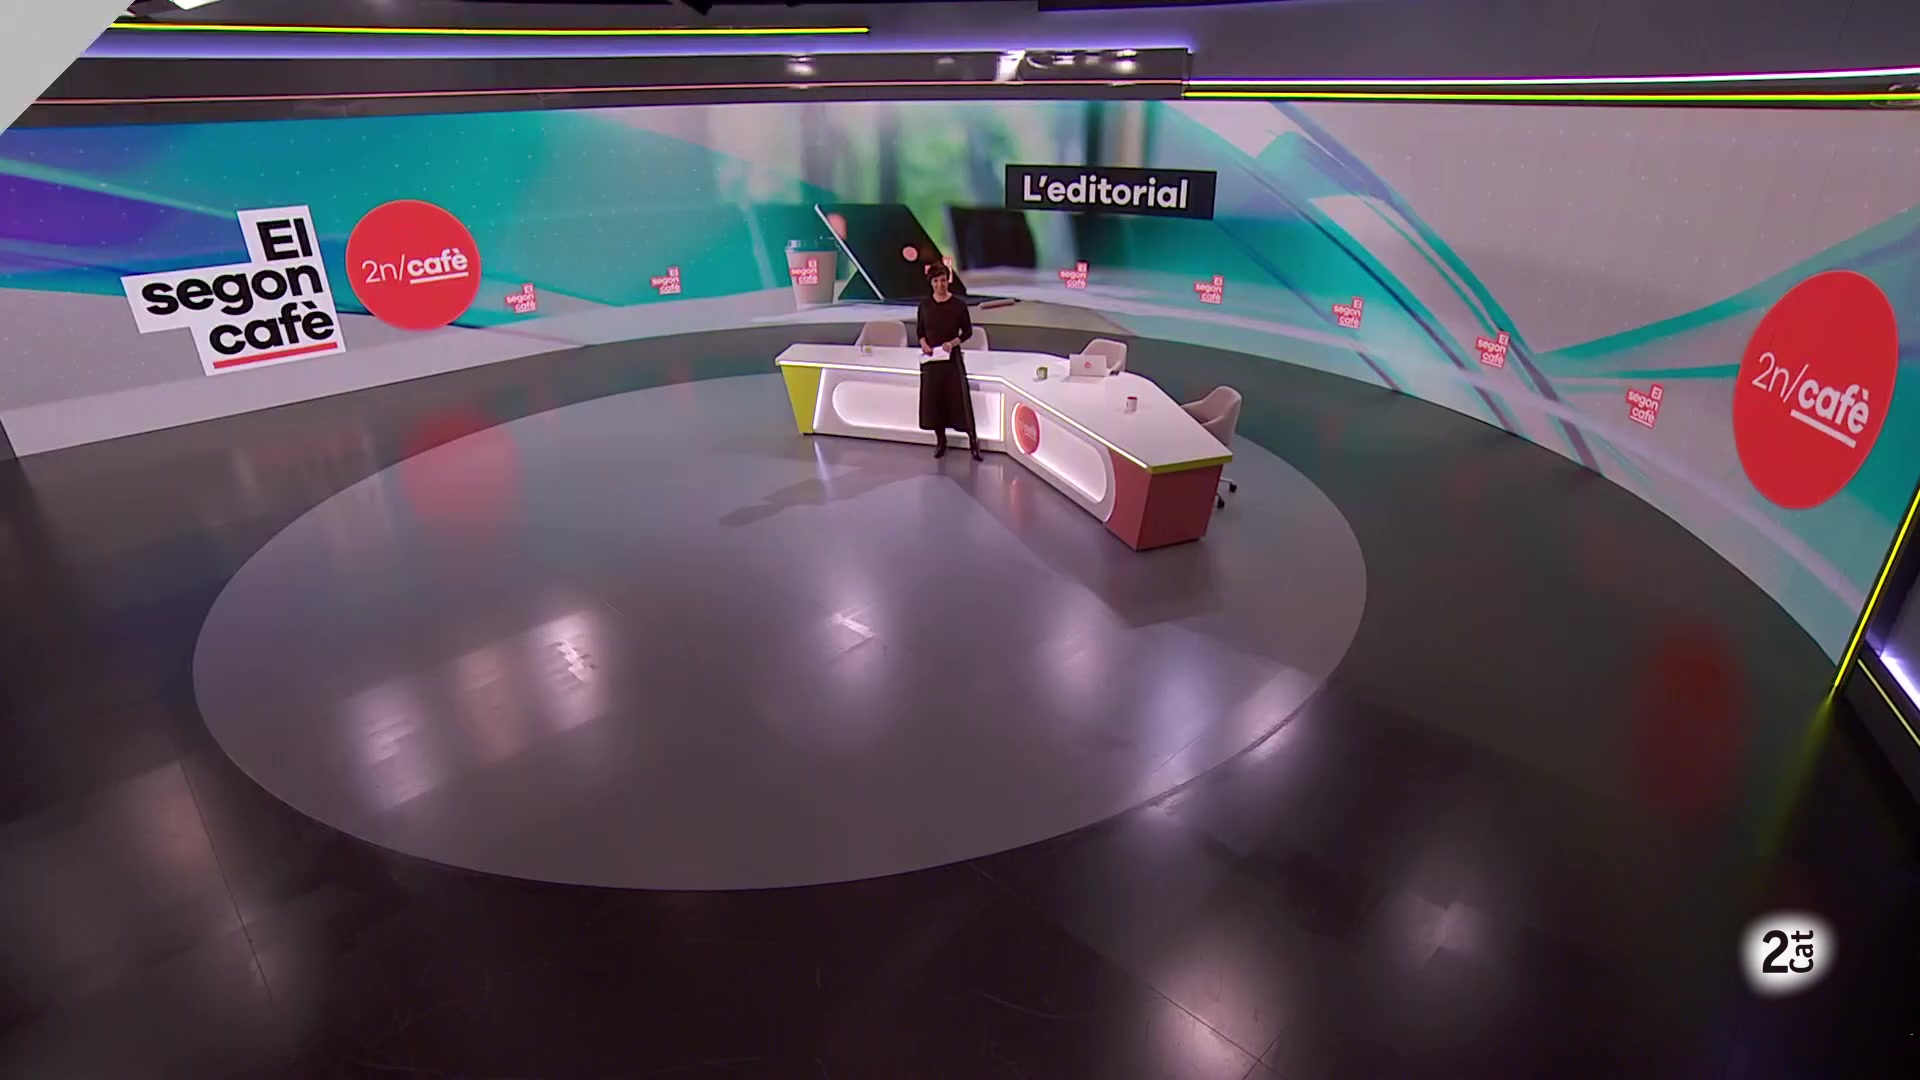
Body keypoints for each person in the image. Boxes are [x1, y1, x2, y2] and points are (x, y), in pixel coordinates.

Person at [916, 262, 980, 461]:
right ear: (931, 283)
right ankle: (941, 441)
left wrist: (952, 343)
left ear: (948, 281)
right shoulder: (924, 306)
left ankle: (973, 442)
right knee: (935, 401)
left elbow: (967, 332)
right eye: (936, 281)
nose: (940, 285)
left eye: (943, 280)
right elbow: (920, 331)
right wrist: (923, 343)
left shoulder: (958, 305)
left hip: (951, 360)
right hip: (932, 361)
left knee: (959, 400)